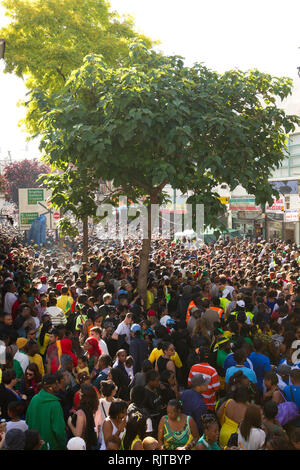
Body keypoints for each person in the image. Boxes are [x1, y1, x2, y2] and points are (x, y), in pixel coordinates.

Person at [25, 373, 66, 450]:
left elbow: (27, 421)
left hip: (35, 446)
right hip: (52, 446)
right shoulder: (55, 405)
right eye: (56, 383)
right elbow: (59, 430)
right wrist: (63, 445)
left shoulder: (34, 399)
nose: (58, 385)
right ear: (49, 387)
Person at [217, 383, 250, 448]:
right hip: (237, 437)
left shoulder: (228, 402)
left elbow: (218, 415)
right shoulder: (248, 408)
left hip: (223, 433)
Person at [188, 345, 220, 411]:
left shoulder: (193, 368)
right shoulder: (213, 371)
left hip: (195, 403)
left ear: (199, 357)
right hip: (209, 406)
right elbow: (217, 389)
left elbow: (189, 384)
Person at [67, 383, 99, 450]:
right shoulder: (90, 409)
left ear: (84, 395)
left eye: (80, 391)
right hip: (87, 445)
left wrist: (70, 423)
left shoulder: (80, 413)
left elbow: (78, 434)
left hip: (80, 447)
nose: (78, 392)